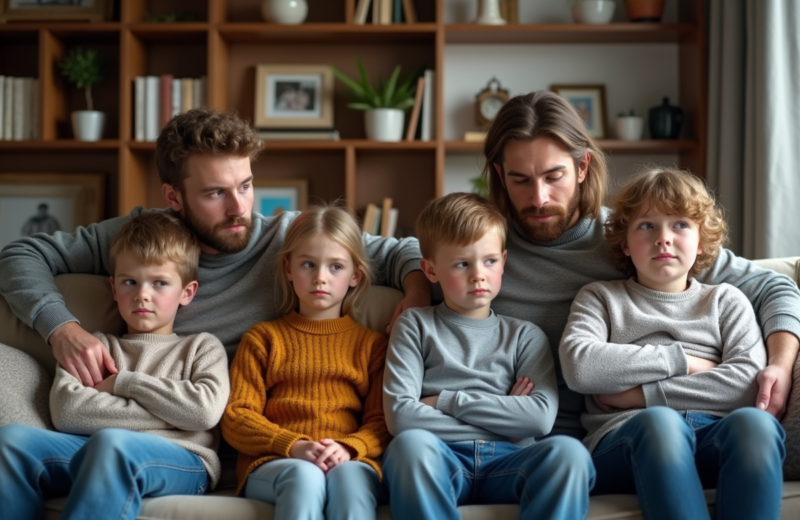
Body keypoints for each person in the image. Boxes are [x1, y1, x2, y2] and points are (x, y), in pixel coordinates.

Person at [0, 107, 429, 388]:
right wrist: (62, 330)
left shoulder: (292, 239)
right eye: (215, 193)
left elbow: (403, 251)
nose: (239, 207)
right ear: (174, 197)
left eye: (245, 185)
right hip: (157, 418)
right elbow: (20, 255)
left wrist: (417, 293)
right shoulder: (144, 238)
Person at [480, 90, 800, 439]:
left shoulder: (636, 236)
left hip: (638, 430)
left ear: (582, 167)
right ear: (500, 174)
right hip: (526, 442)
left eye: (554, 177)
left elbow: (776, 287)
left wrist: (781, 367)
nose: (539, 198)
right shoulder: (481, 252)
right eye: (521, 180)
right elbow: (421, 260)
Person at [559, 168, 784, 519]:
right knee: (662, 424)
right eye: (647, 226)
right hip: (624, 440)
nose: (663, 238)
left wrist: (641, 394)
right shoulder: (600, 298)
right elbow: (581, 367)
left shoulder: (727, 301)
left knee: (757, 426)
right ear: (625, 243)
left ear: (701, 241)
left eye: (680, 225)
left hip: (712, 435)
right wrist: (685, 362)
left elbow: (746, 385)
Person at [0, 212, 230, 520]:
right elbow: (68, 411)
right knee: (12, 442)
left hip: (184, 460)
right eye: (130, 282)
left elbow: (203, 412)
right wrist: (174, 414)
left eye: (159, 283)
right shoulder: (95, 348)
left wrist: (124, 383)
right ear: (113, 287)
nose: (142, 295)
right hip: (97, 452)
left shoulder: (202, 347)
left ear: (186, 292)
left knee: (112, 443)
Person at [382, 192, 594, 520]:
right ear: (430, 269)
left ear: (504, 261)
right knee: (408, 448)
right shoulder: (415, 325)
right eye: (462, 263)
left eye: (490, 261)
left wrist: (445, 401)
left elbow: (538, 419)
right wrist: (506, 419)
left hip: (510, 460)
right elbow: (402, 417)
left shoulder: (526, 336)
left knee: (569, 452)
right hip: (440, 457)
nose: (478, 274)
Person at [221, 203, 389, 520]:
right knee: (305, 476)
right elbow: (236, 416)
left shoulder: (372, 346)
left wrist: (350, 447)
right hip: (276, 461)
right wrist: (293, 445)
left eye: (336, 267)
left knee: (350, 481)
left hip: (349, 459)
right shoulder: (263, 339)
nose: (320, 277)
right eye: (308, 264)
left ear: (355, 275)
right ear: (288, 269)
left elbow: (383, 422)